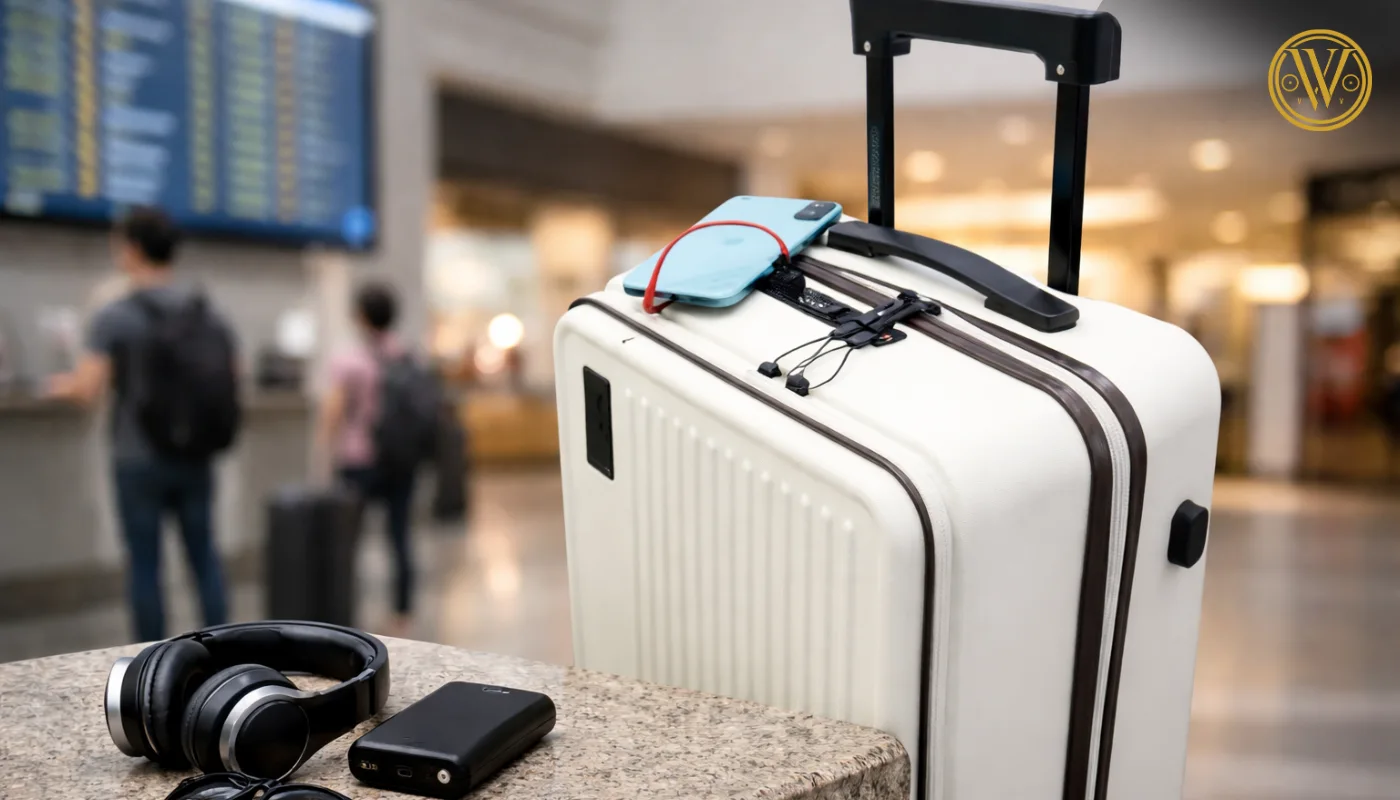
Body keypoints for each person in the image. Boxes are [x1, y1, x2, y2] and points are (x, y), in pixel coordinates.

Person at [48, 206, 237, 642]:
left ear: (131, 249)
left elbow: (87, 389)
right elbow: (234, 374)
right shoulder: (206, 312)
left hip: (138, 457)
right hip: (196, 454)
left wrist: (57, 386)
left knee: (146, 565)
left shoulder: (115, 313)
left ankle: (153, 662)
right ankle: (227, 653)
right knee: (204, 558)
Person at [316, 282, 428, 639]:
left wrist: (323, 455)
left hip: (358, 460)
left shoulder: (349, 359)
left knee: (349, 541)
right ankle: (402, 615)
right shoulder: (407, 355)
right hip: (401, 460)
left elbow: (334, 411)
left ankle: (349, 613)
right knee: (400, 538)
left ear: (361, 316)